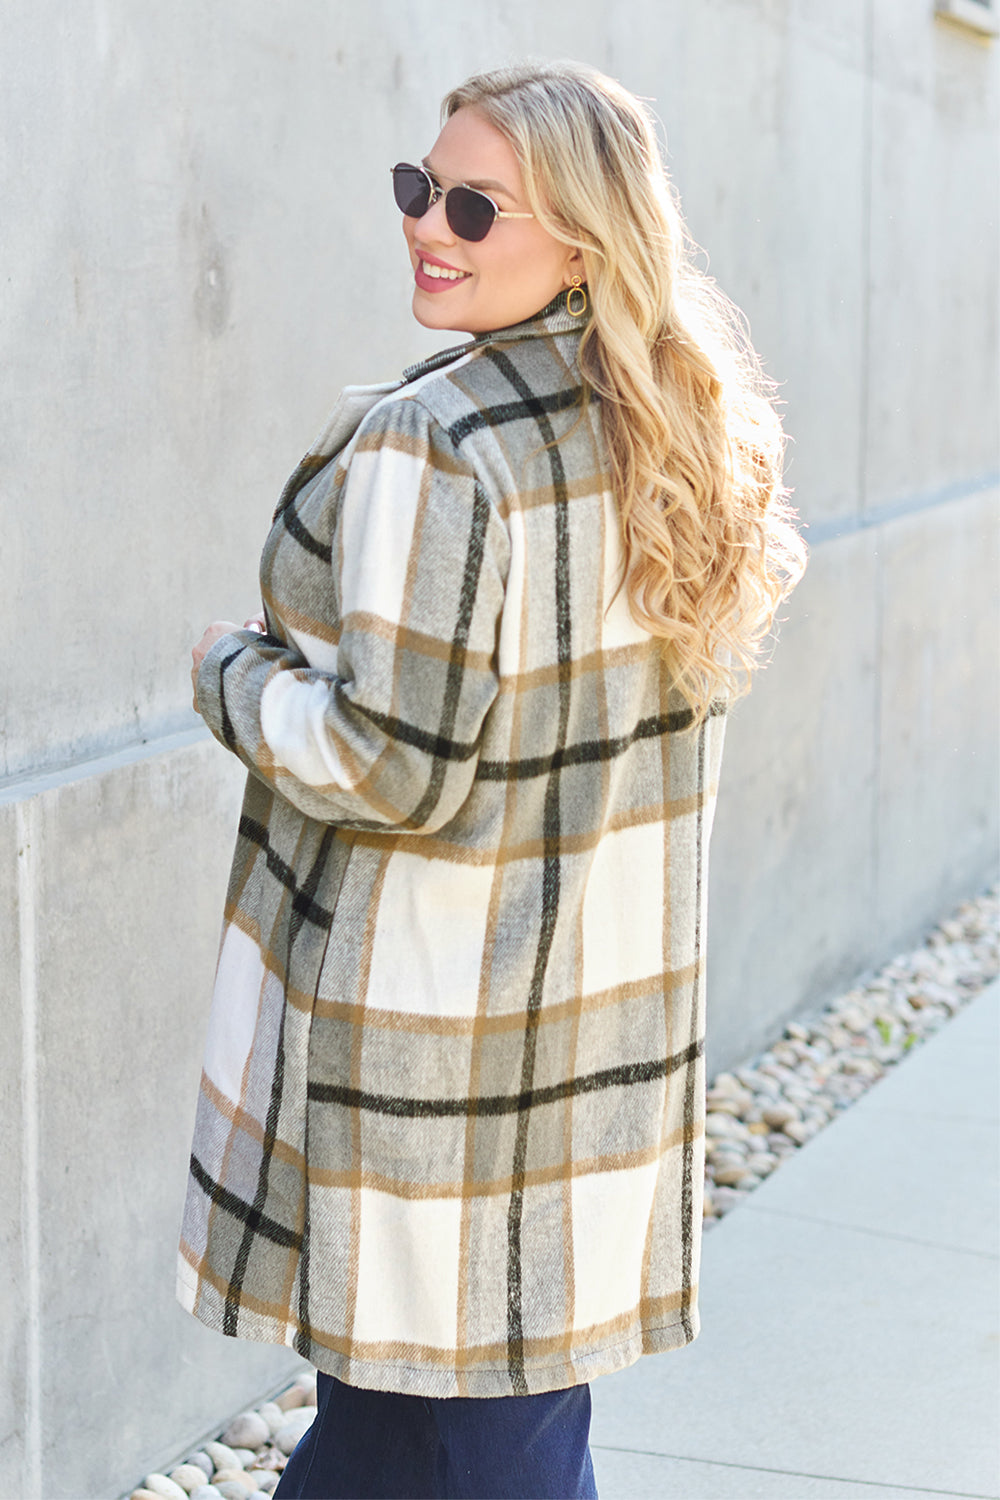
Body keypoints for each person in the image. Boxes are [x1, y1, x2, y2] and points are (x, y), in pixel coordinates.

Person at [179, 59, 806, 1500]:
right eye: (421, 187)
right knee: (420, 1435)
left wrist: (230, 672)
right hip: (590, 1028)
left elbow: (382, 764)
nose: (430, 225)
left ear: (582, 240)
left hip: (438, 1050)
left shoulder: (442, 442)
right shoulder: (668, 427)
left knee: (466, 1446)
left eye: (476, 204)